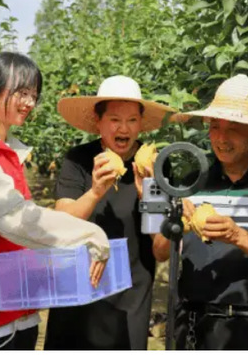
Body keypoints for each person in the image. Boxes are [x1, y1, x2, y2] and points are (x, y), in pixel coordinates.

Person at [0, 52, 110, 350]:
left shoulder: (4, 151)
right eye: (21, 92)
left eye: (34, 95)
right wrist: (89, 234)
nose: (29, 102)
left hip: (15, 306)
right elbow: (13, 217)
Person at [154, 74, 248, 350]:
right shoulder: (191, 183)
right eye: (215, 127)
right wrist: (175, 221)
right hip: (192, 324)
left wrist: (238, 236)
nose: (222, 138)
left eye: (234, 128)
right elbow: (160, 252)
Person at [43, 75, 175, 350]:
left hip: (130, 298)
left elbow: (162, 251)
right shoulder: (79, 160)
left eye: (132, 120)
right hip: (78, 293)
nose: (123, 128)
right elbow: (60, 225)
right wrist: (95, 191)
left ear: (141, 123)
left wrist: (148, 197)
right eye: (114, 119)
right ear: (98, 121)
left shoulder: (155, 167)